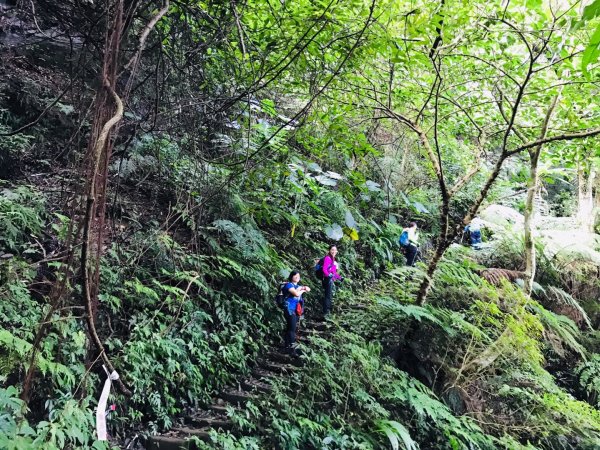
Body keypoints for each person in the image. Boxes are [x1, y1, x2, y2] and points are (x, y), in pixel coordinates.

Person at [283, 271, 310, 355]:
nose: (297, 277)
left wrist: (304, 287)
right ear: (291, 276)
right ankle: (291, 348)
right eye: (295, 275)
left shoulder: (297, 286)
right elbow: (296, 294)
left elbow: (308, 289)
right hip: (289, 308)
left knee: (291, 328)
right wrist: (303, 290)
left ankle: (287, 346)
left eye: (298, 275)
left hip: (295, 310)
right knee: (292, 329)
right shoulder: (289, 285)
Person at [321, 245, 342, 318]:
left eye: (335, 250)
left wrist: (339, 278)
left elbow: (333, 273)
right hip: (327, 280)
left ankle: (327, 312)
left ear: (336, 251)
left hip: (329, 280)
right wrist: (328, 275)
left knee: (329, 296)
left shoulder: (333, 259)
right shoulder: (328, 258)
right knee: (328, 296)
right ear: (329, 250)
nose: (333, 251)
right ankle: (326, 313)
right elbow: (324, 269)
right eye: (332, 250)